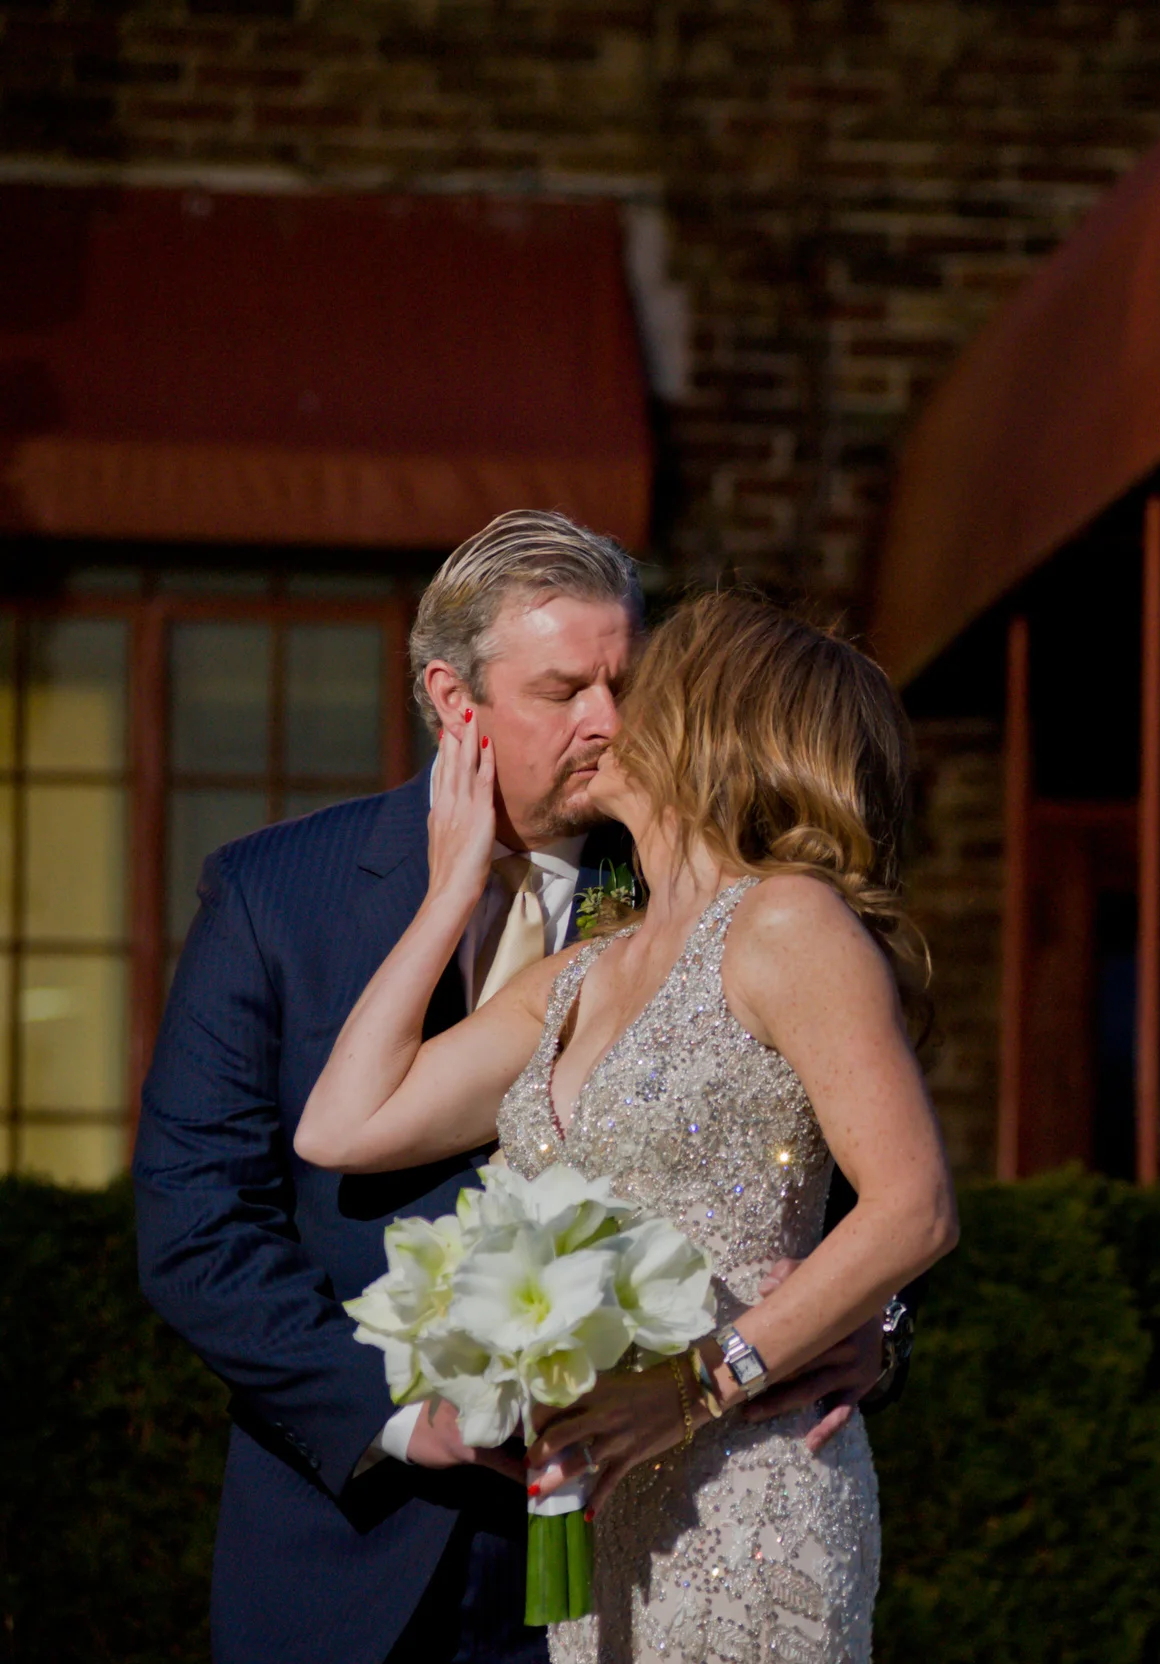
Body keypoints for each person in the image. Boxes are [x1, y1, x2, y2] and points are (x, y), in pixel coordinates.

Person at [134, 514, 891, 1664]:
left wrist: (869, 1326)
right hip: (353, 1535)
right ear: (455, 697)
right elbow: (196, 1223)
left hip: (655, 1509)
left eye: (625, 680)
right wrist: (405, 1416)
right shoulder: (273, 894)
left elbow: (829, 1170)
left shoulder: (692, 883)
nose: (608, 718)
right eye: (564, 687)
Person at [294, 588, 956, 1662]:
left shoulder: (788, 920)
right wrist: (450, 886)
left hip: (750, 1486)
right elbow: (342, 1123)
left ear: (702, 726)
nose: (599, 719)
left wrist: (700, 1383)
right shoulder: (581, 973)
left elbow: (914, 1206)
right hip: (601, 1508)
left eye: (631, 692)